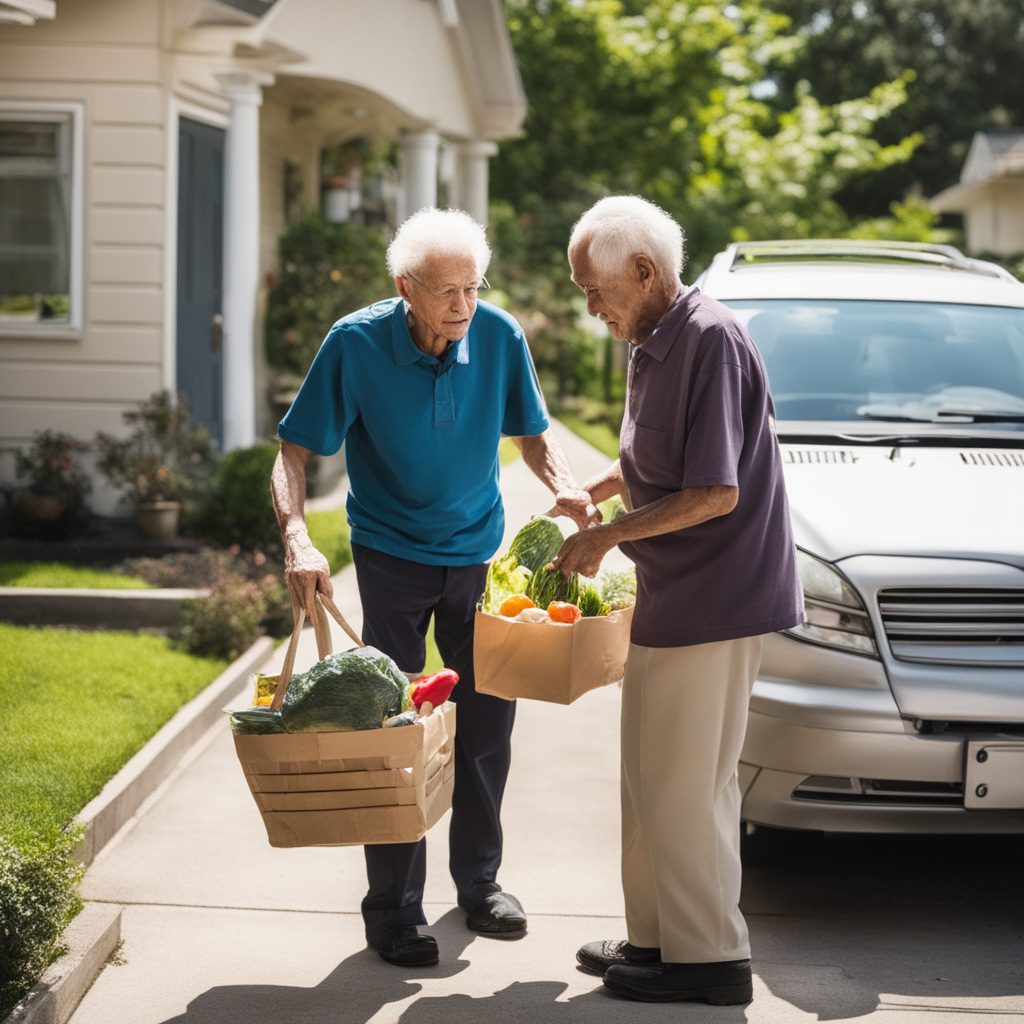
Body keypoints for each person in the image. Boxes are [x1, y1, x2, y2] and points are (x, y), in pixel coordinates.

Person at [271, 207, 598, 968]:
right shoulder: (354, 344)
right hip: (388, 554)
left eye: (472, 288)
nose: (462, 306)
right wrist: (296, 539)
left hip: (478, 554)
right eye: (445, 291)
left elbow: (533, 432)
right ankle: (393, 909)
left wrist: (567, 484)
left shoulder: (500, 335)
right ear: (405, 288)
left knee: (489, 720)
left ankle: (479, 883)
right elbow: (292, 454)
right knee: (390, 729)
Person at [551, 196, 803, 1004]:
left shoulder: (712, 340)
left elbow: (714, 491)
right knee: (648, 776)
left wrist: (606, 536)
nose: (591, 308)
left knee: (690, 783)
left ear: (645, 271)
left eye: (595, 290)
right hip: (672, 594)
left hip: (717, 596)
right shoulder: (652, 338)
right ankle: (654, 938)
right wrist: (607, 483)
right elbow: (663, 451)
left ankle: (711, 962)